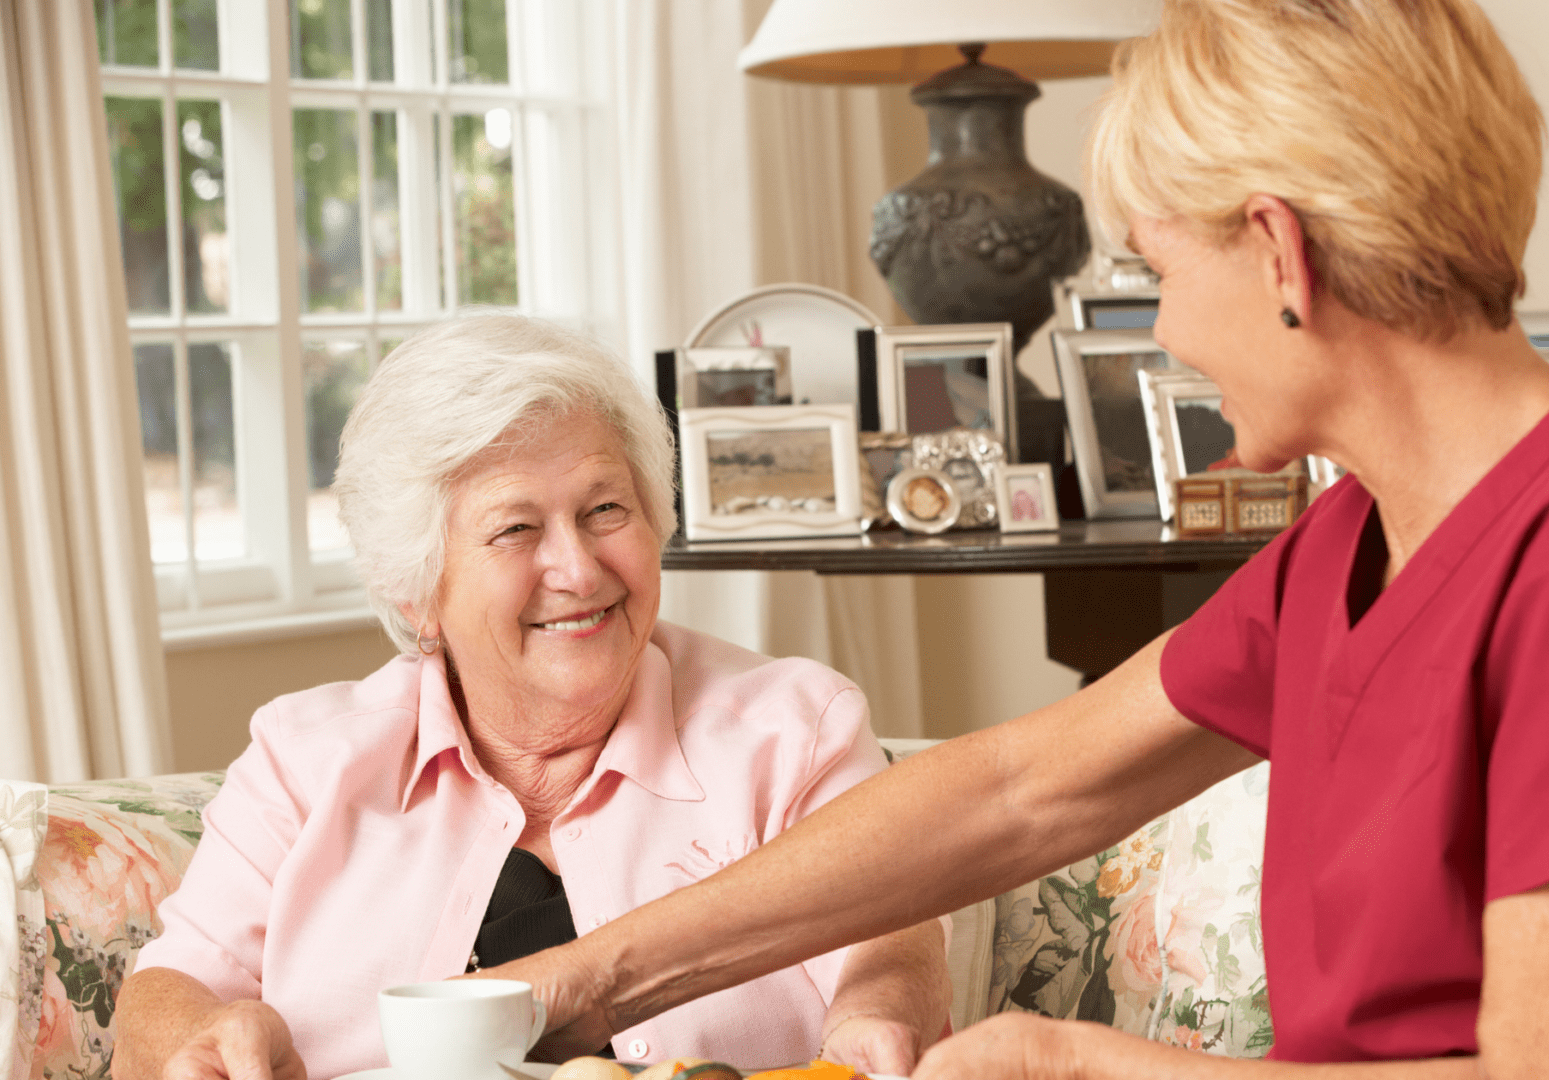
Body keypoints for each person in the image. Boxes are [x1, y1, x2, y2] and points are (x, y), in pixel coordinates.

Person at [441, 2, 1549, 1076]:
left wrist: (1088, 1062)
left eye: (1158, 271)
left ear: (1282, 254)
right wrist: (577, 988)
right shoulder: (1363, 536)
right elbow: (1018, 790)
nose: (1161, 335)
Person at [110, 317, 952, 1080]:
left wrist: (873, 1017)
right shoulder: (305, 759)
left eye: (606, 509)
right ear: (417, 591)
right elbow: (173, 985)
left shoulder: (792, 732)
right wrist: (208, 1038)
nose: (580, 571)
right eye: (516, 529)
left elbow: (888, 934)